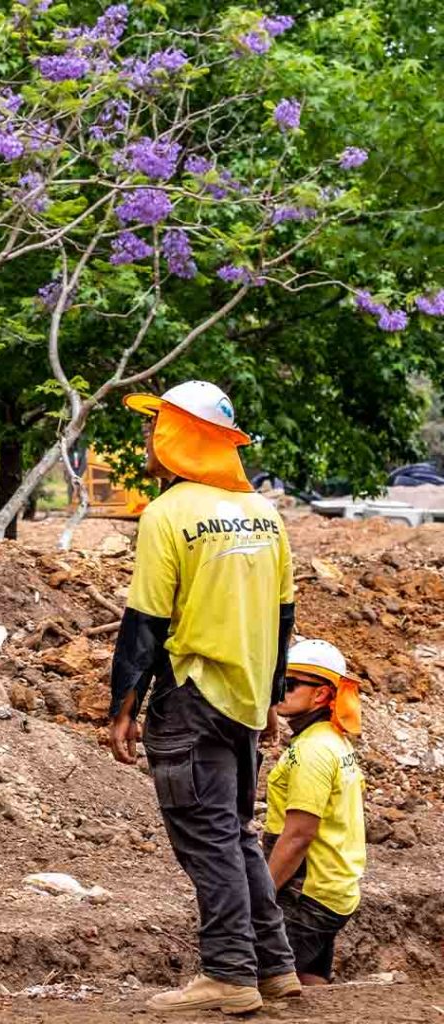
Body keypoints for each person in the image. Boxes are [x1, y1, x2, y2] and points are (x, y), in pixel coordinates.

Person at [108, 380, 299, 1014]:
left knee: (209, 840)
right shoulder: (267, 515)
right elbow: (282, 618)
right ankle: (272, 966)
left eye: (155, 426)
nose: (147, 439)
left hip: (190, 697)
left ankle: (227, 973)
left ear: (181, 435)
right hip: (244, 699)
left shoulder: (167, 515)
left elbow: (146, 622)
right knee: (235, 834)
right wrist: (271, 697)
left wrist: (123, 708)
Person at [264, 638, 366, 986]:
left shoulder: (313, 751)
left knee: (259, 982)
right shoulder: (333, 742)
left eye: (289, 684)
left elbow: (298, 836)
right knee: (310, 982)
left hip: (307, 893)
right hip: (332, 889)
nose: (280, 691)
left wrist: (260, 896)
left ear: (321, 695)